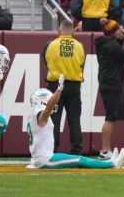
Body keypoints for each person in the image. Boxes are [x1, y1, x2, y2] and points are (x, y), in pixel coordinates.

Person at [27, 81, 124, 169]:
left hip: (41, 157)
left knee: (76, 159)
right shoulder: (40, 114)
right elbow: (50, 106)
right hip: (45, 159)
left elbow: (49, 106)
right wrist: (59, 90)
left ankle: (108, 162)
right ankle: (112, 164)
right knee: (80, 160)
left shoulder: (34, 114)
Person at [95, 18, 124, 159]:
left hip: (106, 83)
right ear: (113, 32)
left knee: (111, 117)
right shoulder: (112, 47)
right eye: (117, 30)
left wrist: (119, 37)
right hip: (112, 84)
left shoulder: (103, 43)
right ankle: (104, 150)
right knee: (110, 118)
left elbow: (115, 51)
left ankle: (105, 150)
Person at [42, 20, 85, 155]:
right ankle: (76, 150)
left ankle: (52, 149)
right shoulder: (79, 46)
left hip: (55, 85)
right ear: (72, 32)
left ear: (59, 31)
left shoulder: (50, 45)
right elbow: (81, 62)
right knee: (74, 119)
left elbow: (46, 60)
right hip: (74, 85)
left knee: (54, 118)